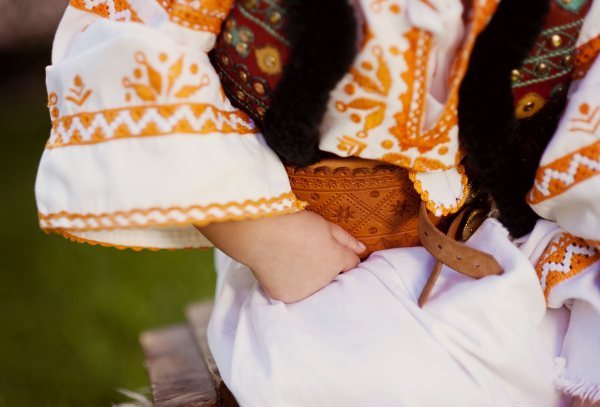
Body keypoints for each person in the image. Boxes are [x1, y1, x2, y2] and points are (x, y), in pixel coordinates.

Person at [35, 0, 600, 405]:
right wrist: (261, 230)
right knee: (375, 382)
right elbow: (132, 42)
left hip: (509, 225)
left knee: (567, 355)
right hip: (318, 250)